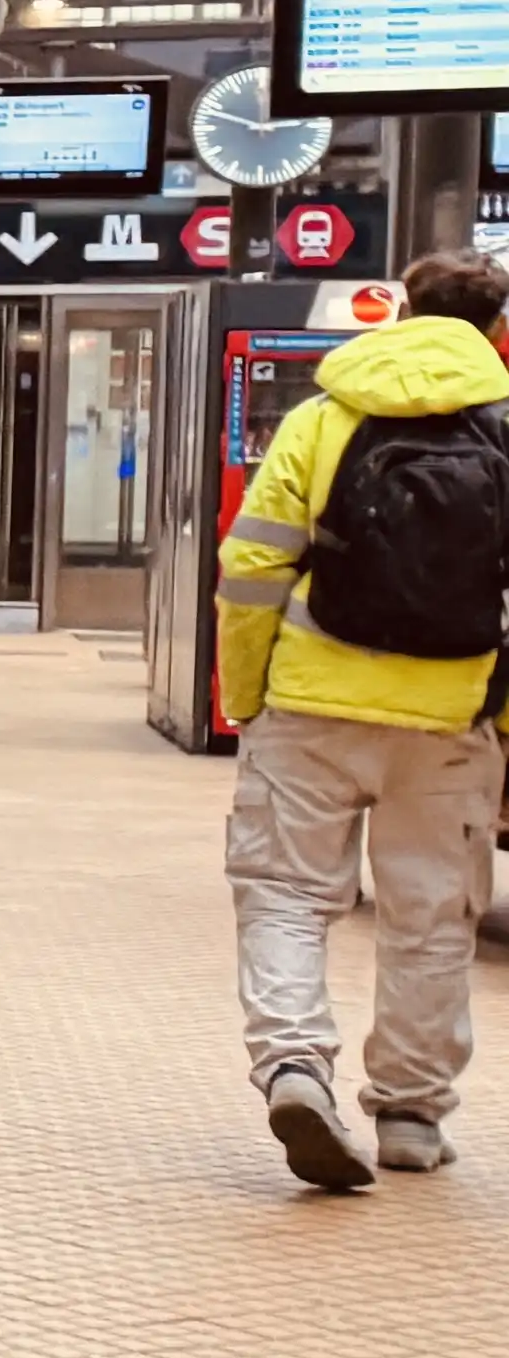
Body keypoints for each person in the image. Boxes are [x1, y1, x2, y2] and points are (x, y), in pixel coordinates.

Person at [216, 253, 509, 1190]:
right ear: (497, 330)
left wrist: (245, 694)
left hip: (310, 703)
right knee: (433, 916)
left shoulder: (322, 418)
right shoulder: (504, 429)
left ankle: (296, 1068)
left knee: (286, 896)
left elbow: (251, 568)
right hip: (452, 716)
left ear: (400, 311)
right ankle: (413, 1114)